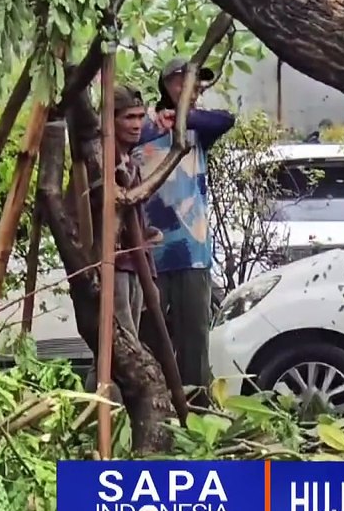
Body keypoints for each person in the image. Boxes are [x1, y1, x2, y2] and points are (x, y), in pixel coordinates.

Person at [136, 57, 235, 396]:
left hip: (193, 252)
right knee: (146, 337)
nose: (190, 91)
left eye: (195, 85)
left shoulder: (195, 128)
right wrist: (159, 122)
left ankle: (196, 410)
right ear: (166, 84)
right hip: (148, 252)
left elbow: (226, 120)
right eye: (182, 82)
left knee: (195, 342)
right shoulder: (141, 123)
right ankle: (150, 406)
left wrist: (182, 118)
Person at [84, 86, 160, 393]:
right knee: (122, 348)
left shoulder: (128, 160)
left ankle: (101, 416)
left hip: (132, 263)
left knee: (119, 348)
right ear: (111, 120)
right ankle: (106, 416)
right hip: (112, 263)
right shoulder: (103, 160)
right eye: (129, 117)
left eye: (141, 117)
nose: (136, 124)